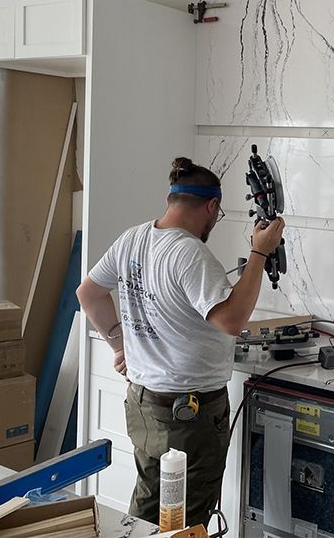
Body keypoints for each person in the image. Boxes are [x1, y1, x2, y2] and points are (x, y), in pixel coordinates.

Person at [76, 157, 285, 526]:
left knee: (148, 512)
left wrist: (120, 345)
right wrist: (259, 252)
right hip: (189, 418)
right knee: (186, 523)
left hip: (144, 406)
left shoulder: (133, 239)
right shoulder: (188, 253)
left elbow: (89, 293)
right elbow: (232, 319)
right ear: (211, 206)